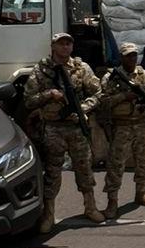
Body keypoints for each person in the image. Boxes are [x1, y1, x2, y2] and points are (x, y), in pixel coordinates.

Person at [23, 33, 104, 232]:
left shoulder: (81, 68)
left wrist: (83, 108)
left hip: (76, 127)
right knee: (52, 171)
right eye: (61, 43)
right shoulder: (41, 70)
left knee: (84, 167)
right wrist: (49, 94)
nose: (66, 47)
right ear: (53, 46)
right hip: (53, 128)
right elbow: (28, 100)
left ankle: (90, 207)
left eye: (69, 43)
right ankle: (48, 215)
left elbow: (97, 92)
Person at [99, 42, 145, 219]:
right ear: (121, 57)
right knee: (116, 164)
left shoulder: (144, 75)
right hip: (121, 126)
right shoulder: (111, 77)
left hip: (142, 125)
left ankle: (140, 193)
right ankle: (112, 201)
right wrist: (125, 96)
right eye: (128, 55)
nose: (132, 58)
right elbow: (103, 101)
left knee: (144, 161)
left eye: (134, 55)